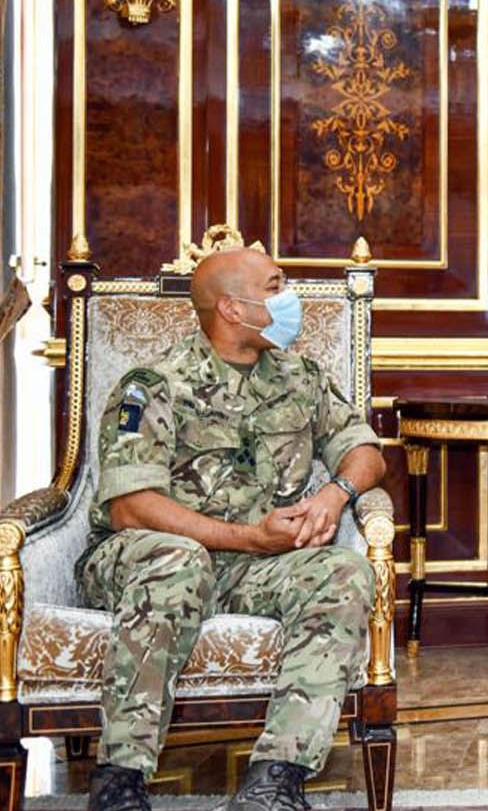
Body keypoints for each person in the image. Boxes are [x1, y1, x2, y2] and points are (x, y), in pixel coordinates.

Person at [78, 247, 386, 811]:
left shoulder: (300, 377)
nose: (290, 298)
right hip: (146, 561)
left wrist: (335, 493)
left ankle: (275, 780)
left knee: (344, 571)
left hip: (254, 567)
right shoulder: (153, 386)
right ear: (232, 309)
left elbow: (365, 450)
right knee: (180, 561)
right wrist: (249, 537)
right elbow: (131, 508)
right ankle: (119, 780)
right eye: (275, 286)